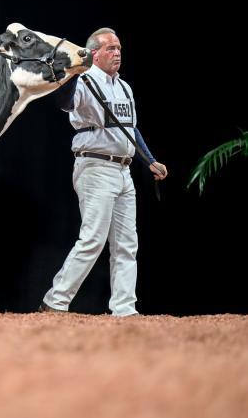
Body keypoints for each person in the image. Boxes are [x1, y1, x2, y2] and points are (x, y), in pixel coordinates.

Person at [39, 27, 168, 317]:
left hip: (123, 170)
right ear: (94, 54)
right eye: (111, 48)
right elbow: (63, 103)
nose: (117, 52)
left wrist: (149, 160)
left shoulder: (124, 87)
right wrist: (71, 72)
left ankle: (124, 308)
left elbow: (130, 128)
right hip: (95, 166)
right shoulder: (84, 80)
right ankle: (55, 301)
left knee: (126, 242)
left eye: (119, 48)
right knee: (93, 238)